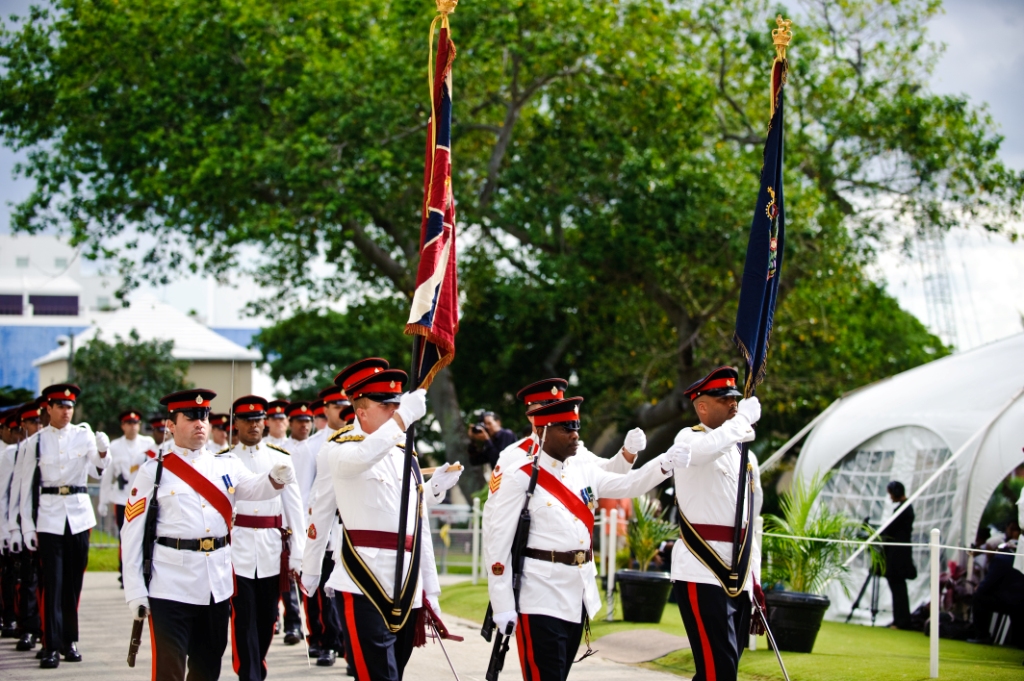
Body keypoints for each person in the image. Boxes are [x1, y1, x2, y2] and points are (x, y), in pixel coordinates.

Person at [482, 396, 688, 681]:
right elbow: (497, 542)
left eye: (576, 426)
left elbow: (629, 483)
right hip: (539, 594)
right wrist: (502, 604)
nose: (575, 434)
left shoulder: (584, 468)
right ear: (543, 430)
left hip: (576, 594)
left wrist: (664, 464)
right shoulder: (519, 475)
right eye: (566, 428)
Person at [120, 388, 295, 681]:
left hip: (215, 585)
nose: (200, 423)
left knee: (207, 665)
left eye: (203, 416)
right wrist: (135, 590)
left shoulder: (225, 464)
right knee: (170, 668)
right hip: (170, 585)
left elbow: (254, 489)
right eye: (190, 417)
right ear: (172, 426)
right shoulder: (155, 471)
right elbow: (132, 534)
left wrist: (276, 477)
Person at [301, 357, 456, 681]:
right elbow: (322, 512)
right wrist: (311, 570)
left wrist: (431, 589)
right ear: (361, 411)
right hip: (362, 578)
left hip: (406, 582)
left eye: (398, 405)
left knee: (394, 673)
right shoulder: (339, 449)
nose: (395, 411)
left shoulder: (406, 453)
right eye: (387, 406)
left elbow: (419, 525)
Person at [669, 366, 763, 681]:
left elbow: (753, 522)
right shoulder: (688, 438)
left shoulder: (746, 455)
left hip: (739, 573)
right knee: (717, 671)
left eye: (735, 397)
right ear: (702, 406)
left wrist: (756, 579)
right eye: (724, 398)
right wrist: (742, 422)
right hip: (702, 569)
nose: (733, 403)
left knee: (724, 669)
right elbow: (702, 453)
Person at [12, 383, 109, 668]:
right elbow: (23, 488)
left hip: (79, 515)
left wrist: (103, 453)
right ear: (49, 409)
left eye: (70, 407)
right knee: (52, 583)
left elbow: (96, 470)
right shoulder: (36, 442)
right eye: (61, 407)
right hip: (49, 516)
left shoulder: (84, 434)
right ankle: (50, 645)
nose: (67, 411)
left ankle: (70, 641)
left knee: (73, 584)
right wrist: (26, 527)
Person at [225, 395, 305, 680]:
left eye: (258, 419)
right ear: (236, 425)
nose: (254, 425)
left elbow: (294, 508)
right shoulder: (224, 460)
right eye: (247, 420)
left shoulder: (280, 458)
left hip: (271, 549)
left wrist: (298, 553)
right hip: (238, 550)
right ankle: (249, 673)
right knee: (243, 618)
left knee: (268, 617)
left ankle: (256, 665)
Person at [98, 409, 156, 587]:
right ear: (123, 426)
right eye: (129, 423)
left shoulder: (148, 443)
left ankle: (142, 571)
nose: (133, 427)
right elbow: (107, 476)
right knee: (126, 537)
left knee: (143, 536)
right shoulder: (114, 446)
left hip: (143, 498)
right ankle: (125, 573)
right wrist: (103, 500)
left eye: (136, 423)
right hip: (123, 498)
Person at [4, 399, 44, 652]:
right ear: (23, 425)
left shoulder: (48, 448)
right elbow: (7, 494)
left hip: (50, 522)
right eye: (32, 422)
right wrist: (10, 528)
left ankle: (45, 629)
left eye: (40, 421)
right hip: (25, 522)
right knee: (27, 579)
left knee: (47, 581)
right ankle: (28, 628)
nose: (37, 426)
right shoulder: (14, 452)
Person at [883, 480, 916, 630]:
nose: (890, 497)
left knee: (898, 588)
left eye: (891, 493)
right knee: (898, 588)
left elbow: (889, 529)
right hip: (898, 555)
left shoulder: (904, 510)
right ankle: (900, 619)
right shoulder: (904, 509)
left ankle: (901, 621)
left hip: (898, 557)